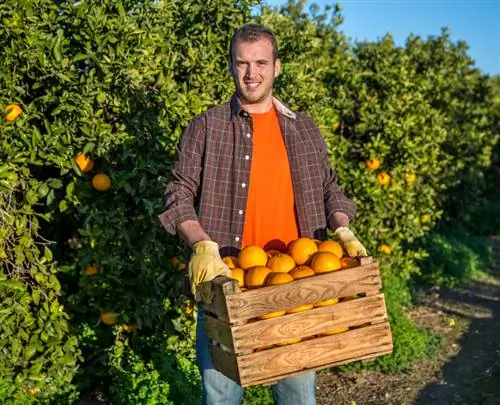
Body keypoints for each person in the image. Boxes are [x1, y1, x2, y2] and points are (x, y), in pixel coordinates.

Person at [159, 23, 367, 405]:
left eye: (260, 63)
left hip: (296, 285)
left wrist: (343, 229)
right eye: (242, 63)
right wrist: (201, 245)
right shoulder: (206, 127)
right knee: (220, 397)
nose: (251, 73)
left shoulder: (303, 129)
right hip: (227, 285)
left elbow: (330, 190)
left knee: (298, 398)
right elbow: (178, 193)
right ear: (231, 67)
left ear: (277, 67)